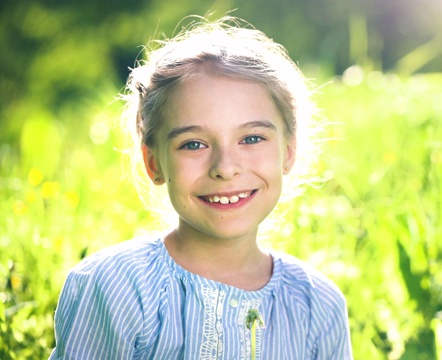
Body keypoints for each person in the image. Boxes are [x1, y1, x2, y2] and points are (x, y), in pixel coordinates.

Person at [49, 16, 352, 359]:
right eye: (193, 144)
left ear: (289, 151)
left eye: (251, 138)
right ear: (154, 163)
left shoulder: (318, 306)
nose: (224, 168)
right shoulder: (115, 288)